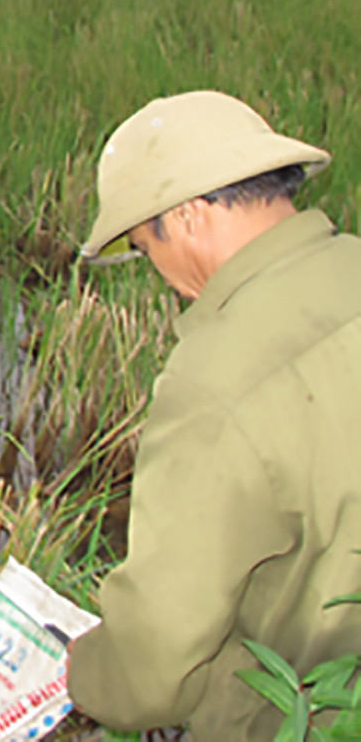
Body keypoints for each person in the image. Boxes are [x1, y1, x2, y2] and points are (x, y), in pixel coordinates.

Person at [67, 90, 361, 739]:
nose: (157, 273)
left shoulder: (213, 380)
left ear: (190, 216)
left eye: (145, 248)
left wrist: (82, 672)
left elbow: (153, 669)